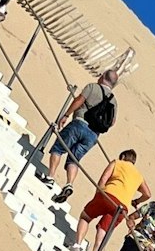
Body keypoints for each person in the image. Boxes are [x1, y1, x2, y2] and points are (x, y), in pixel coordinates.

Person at [43, 70, 120, 201]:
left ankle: (50, 177)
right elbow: (112, 122)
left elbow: (79, 100)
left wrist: (66, 114)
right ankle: (69, 184)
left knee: (58, 148)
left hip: (79, 124)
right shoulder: (114, 101)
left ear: (102, 77)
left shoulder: (93, 87)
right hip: (93, 136)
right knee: (74, 159)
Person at [77, 150, 149, 251]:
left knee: (85, 217)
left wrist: (98, 194)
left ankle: (77, 245)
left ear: (123, 156)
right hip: (122, 207)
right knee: (103, 232)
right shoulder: (139, 176)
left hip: (108, 196)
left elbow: (103, 179)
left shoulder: (117, 163)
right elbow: (147, 194)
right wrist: (136, 201)